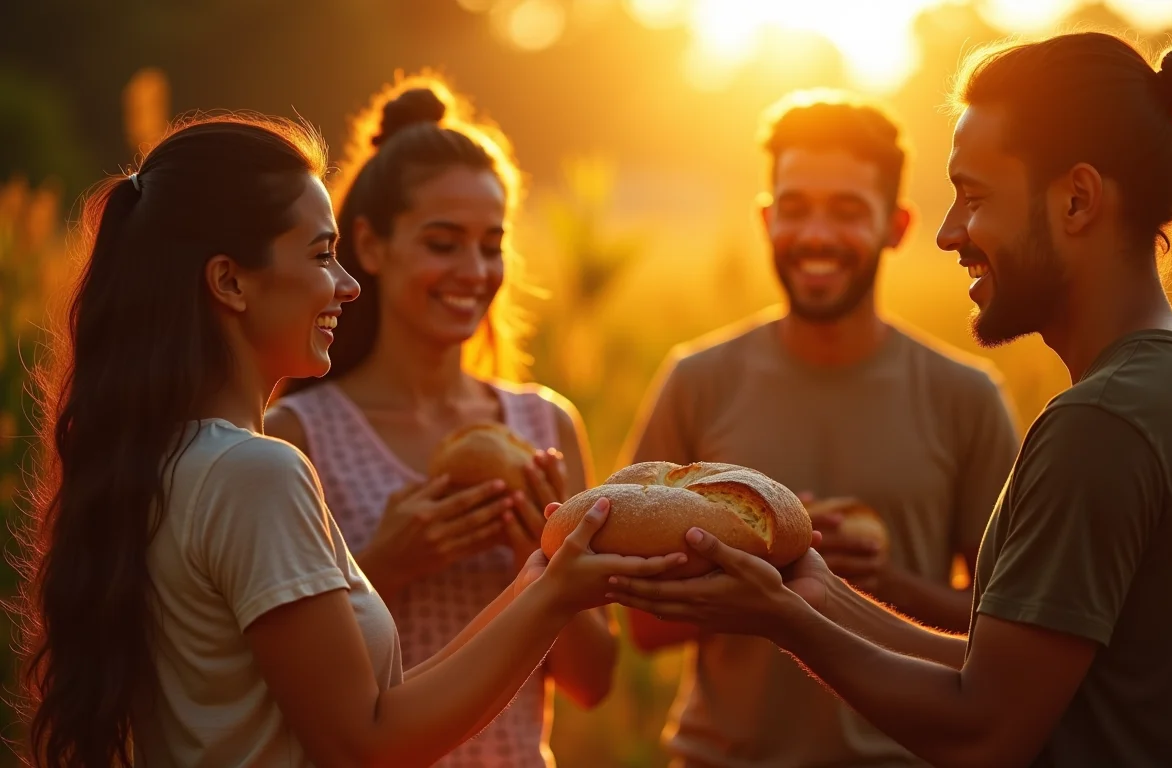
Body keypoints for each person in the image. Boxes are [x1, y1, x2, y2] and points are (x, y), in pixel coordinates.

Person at [609, 33, 1172, 768]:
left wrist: (784, 622)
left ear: (1078, 199)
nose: (948, 232)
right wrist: (820, 593)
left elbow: (983, 730)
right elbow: (996, 671)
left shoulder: (1101, 420)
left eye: (975, 196)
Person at [16, 113, 686, 768]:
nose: (346, 285)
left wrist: (540, 579)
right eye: (321, 255)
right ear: (230, 282)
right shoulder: (258, 470)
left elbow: (380, 705)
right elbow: (368, 745)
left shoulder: (167, 457)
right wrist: (553, 595)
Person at [619, 89, 1021, 766]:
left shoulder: (967, 397)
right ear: (766, 219)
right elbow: (643, 627)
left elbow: (1012, 633)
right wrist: (753, 575)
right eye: (795, 209)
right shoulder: (696, 380)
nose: (816, 236)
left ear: (895, 226)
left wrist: (880, 584)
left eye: (847, 211)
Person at [265, 72, 615, 766]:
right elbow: (274, 678)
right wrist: (384, 565)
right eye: (443, 242)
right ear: (370, 244)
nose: (474, 270)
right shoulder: (297, 434)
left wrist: (541, 573)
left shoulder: (546, 425)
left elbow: (591, 681)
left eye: (492, 245)